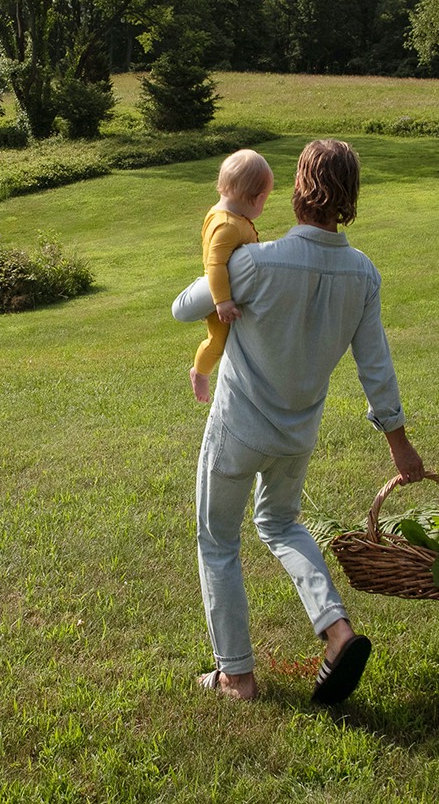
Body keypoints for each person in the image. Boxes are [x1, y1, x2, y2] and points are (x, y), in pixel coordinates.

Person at [171, 139, 425, 704]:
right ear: (350, 198)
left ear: (297, 191)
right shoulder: (362, 273)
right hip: (297, 435)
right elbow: (375, 367)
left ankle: (236, 676)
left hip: (238, 429)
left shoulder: (254, 261)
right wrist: (399, 445)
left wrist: (220, 261)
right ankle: (337, 632)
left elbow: (183, 308)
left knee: (218, 541)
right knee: (282, 525)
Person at [190, 149, 275, 404]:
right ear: (256, 199)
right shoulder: (227, 225)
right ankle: (200, 371)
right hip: (220, 294)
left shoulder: (228, 215)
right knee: (218, 340)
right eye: (265, 199)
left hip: (232, 289)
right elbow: (215, 265)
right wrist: (223, 302)